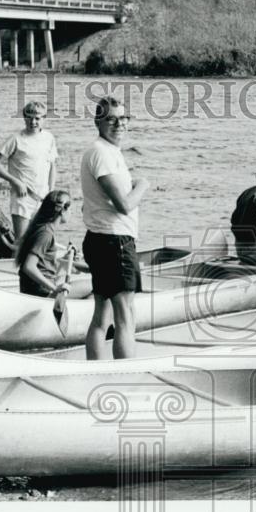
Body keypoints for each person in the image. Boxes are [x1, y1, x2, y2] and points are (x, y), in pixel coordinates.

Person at [81, 96, 150, 360]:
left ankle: (95, 372)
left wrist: (131, 181)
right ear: (98, 122)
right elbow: (123, 205)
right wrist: (142, 185)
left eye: (123, 118)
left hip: (102, 238)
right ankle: (125, 373)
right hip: (114, 241)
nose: (119, 124)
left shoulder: (108, 151)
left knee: (102, 314)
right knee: (125, 317)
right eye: (111, 119)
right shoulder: (100, 152)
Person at [0, 101, 58, 242]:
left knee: (42, 239)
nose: (33, 122)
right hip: (22, 197)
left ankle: (38, 264)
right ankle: (20, 262)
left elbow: (52, 166)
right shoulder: (16, 139)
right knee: (22, 241)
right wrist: (16, 182)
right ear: (24, 117)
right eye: (29, 117)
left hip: (43, 196)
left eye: (37, 118)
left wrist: (51, 192)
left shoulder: (48, 138)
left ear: (44, 119)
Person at [14, 190, 73, 298]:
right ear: (62, 211)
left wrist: (65, 258)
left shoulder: (43, 228)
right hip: (42, 292)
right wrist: (55, 289)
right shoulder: (46, 233)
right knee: (95, 288)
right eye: (70, 208)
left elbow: (43, 260)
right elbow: (28, 266)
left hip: (36, 288)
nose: (71, 212)